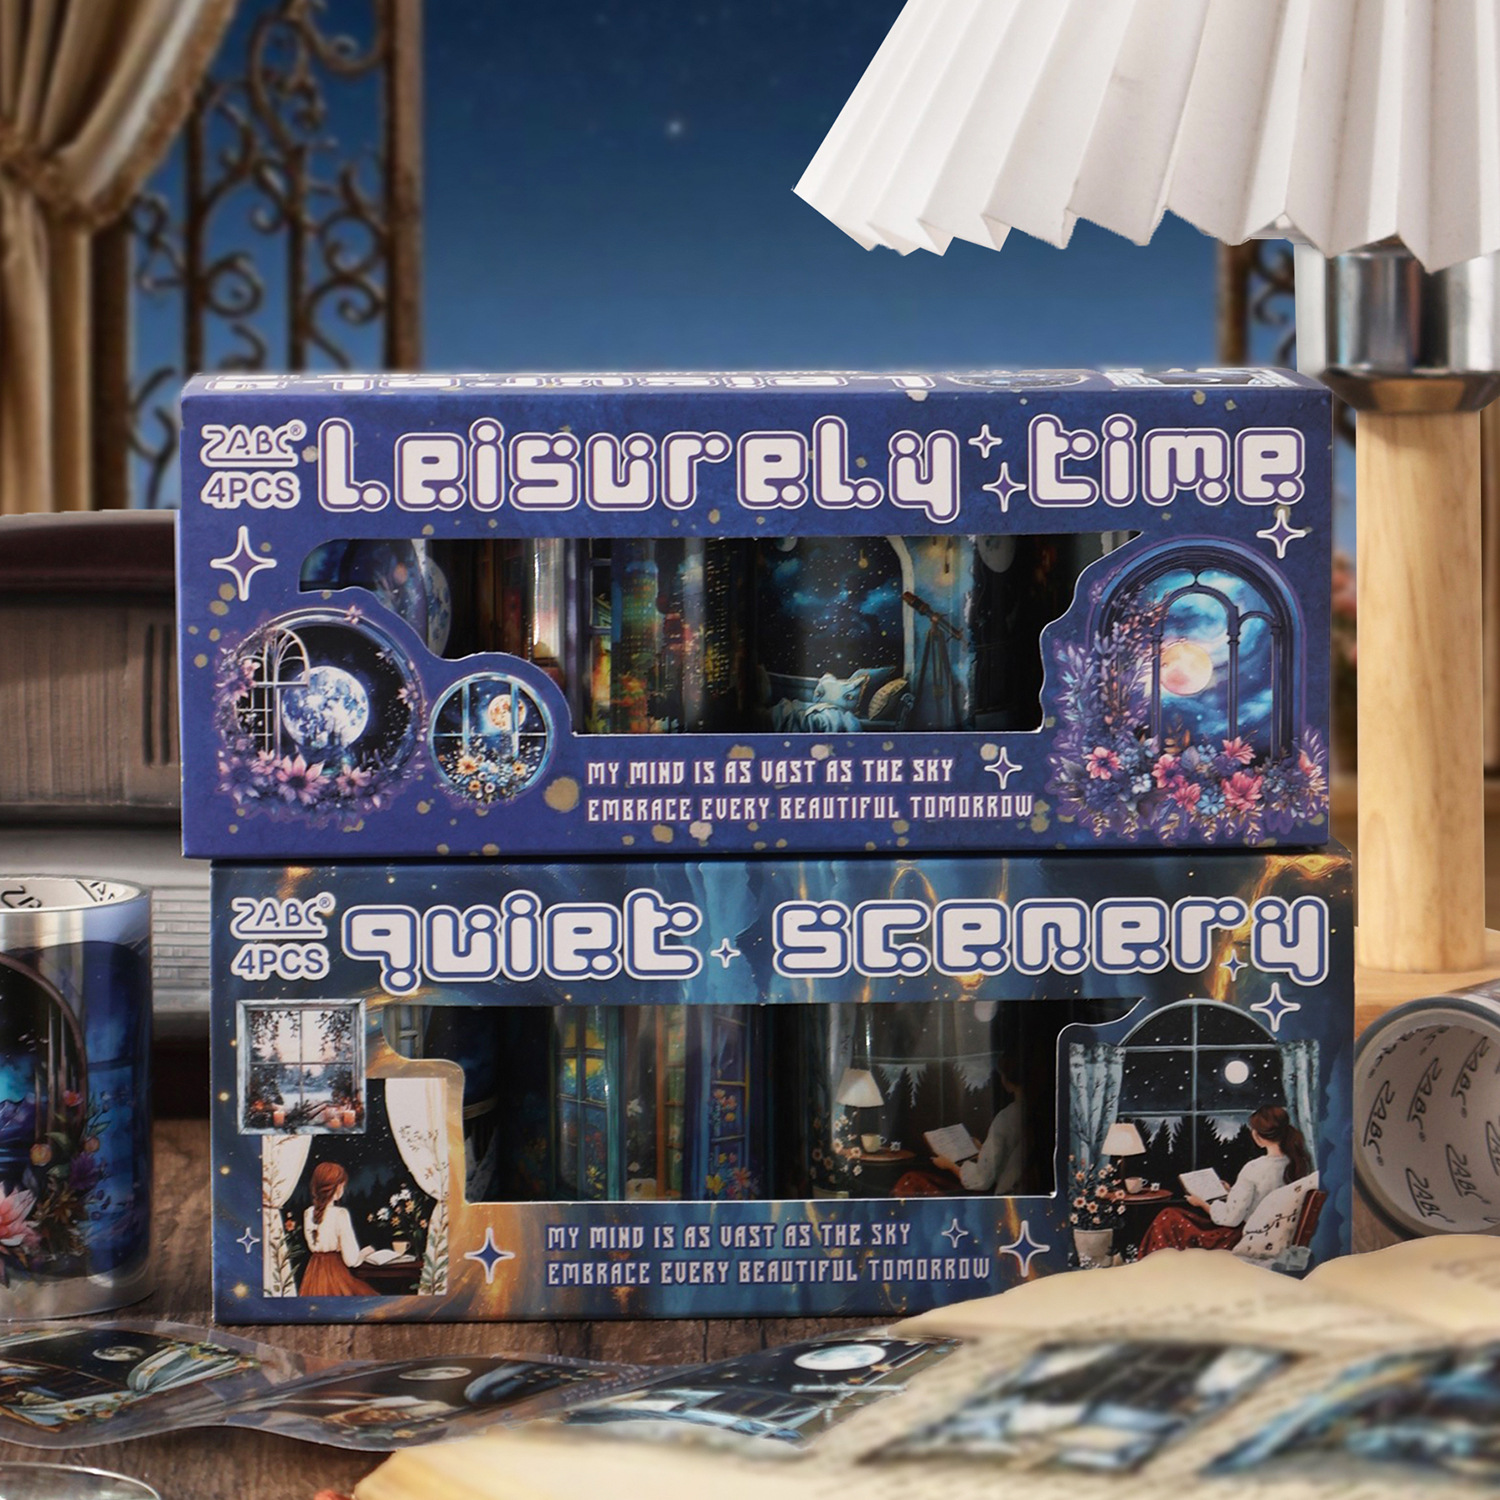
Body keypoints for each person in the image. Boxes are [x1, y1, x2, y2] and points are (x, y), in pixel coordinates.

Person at [1138, 1104, 1311, 1257]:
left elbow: (1231, 1219)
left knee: (1168, 1217)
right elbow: (1262, 1200)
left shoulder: (1254, 1168)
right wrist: (1231, 1192)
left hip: (1242, 1237)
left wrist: (1202, 1204)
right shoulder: (1299, 1164)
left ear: (1257, 1136)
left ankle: (1155, 1271)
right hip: (1272, 1233)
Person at [924, 1056, 1026, 1195]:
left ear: (1008, 1082)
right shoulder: (1034, 1110)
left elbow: (982, 1179)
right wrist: (983, 1149)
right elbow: (1007, 1156)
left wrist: (949, 1165)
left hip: (1009, 1197)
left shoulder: (1006, 1117)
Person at [299, 1161, 377, 1296]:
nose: (343, 1189)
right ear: (337, 1187)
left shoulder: (308, 1213)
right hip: (335, 1273)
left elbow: (313, 1245)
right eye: (342, 1185)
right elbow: (351, 1260)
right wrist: (365, 1253)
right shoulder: (340, 1214)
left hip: (313, 1274)